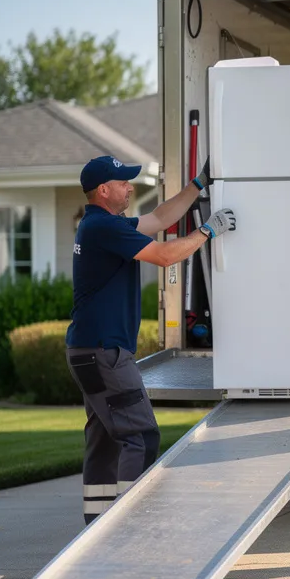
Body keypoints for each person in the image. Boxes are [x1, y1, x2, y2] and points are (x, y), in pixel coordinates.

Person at [66, 155, 235, 524]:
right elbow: (162, 255)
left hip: (87, 350)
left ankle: (96, 527)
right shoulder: (104, 228)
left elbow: (159, 218)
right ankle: (132, 524)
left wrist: (198, 185)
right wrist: (208, 231)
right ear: (104, 190)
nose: (130, 187)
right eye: (123, 183)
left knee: (106, 440)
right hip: (105, 352)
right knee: (141, 436)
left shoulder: (100, 225)